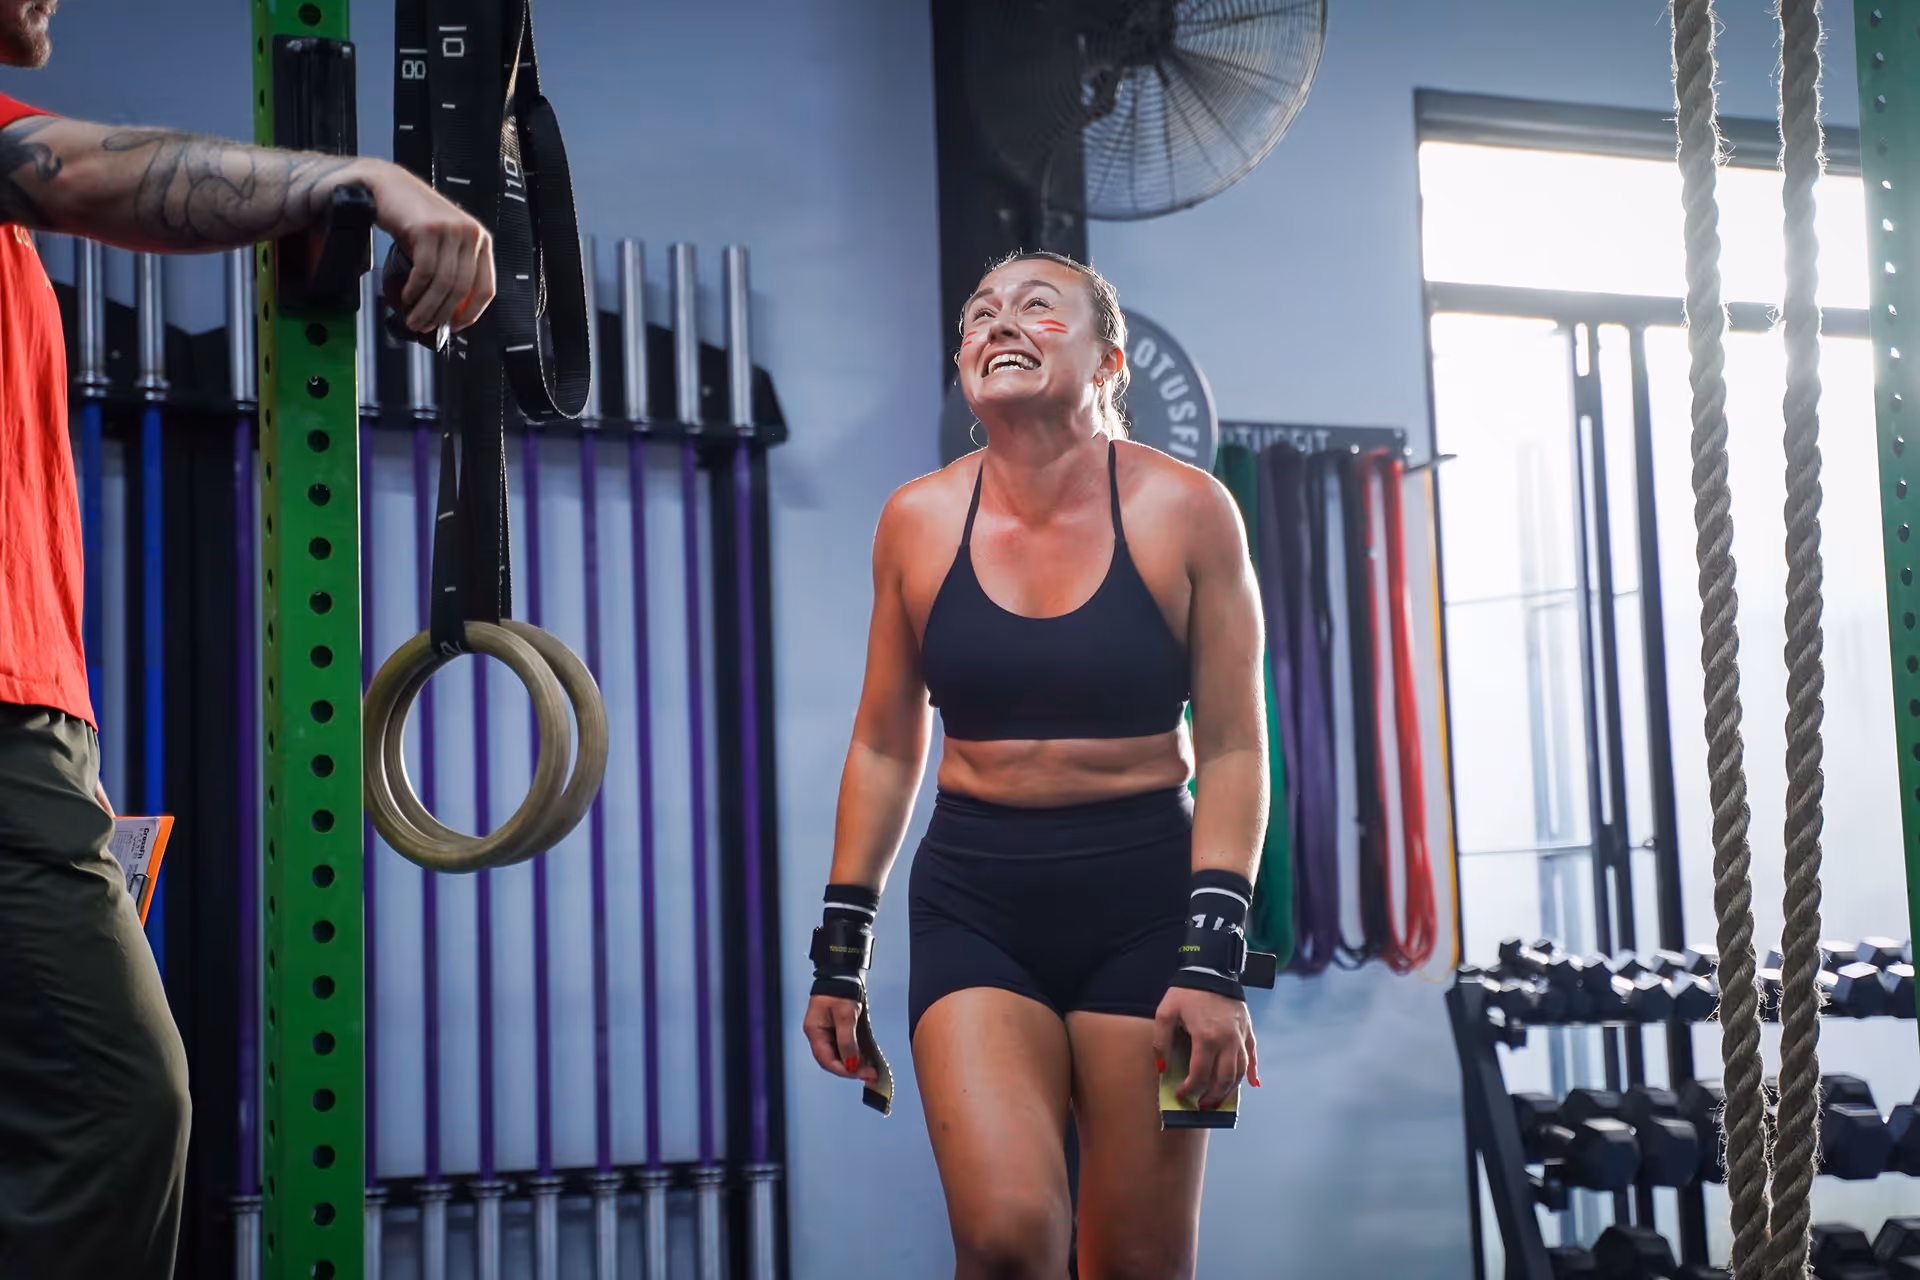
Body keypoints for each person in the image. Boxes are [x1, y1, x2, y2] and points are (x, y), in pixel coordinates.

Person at [0, 2, 494, 1274]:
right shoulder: (15, 155)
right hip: (6, 728)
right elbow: (88, 170)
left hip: (33, 721)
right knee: (122, 1100)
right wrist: (356, 176)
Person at [802, 248, 1269, 1280]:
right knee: (1008, 1237)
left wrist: (1213, 957)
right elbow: (885, 740)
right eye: (979, 312)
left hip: (1152, 901)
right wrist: (842, 948)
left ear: (1109, 359)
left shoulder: (1192, 509)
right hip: (977, 898)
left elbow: (1236, 744)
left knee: (1140, 1261)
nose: (998, 321)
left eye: (1035, 306)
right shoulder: (915, 520)